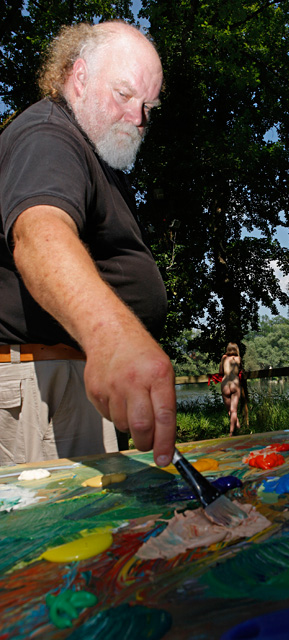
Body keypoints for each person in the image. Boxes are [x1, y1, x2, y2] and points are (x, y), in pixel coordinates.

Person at [0, 21, 176, 467]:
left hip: (67, 381)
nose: (138, 119)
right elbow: (39, 233)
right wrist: (111, 338)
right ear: (79, 77)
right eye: (123, 95)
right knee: (49, 536)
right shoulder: (49, 134)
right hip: (42, 388)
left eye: (147, 106)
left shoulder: (95, 152)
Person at [219, 343, 242, 436]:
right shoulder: (238, 358)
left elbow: (221, 371)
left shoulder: (224, 357)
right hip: (234, 383)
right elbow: (240, 370)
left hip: (225, 384)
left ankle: (237, 428)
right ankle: (232, 432)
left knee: (229, 410)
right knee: (234, 410)